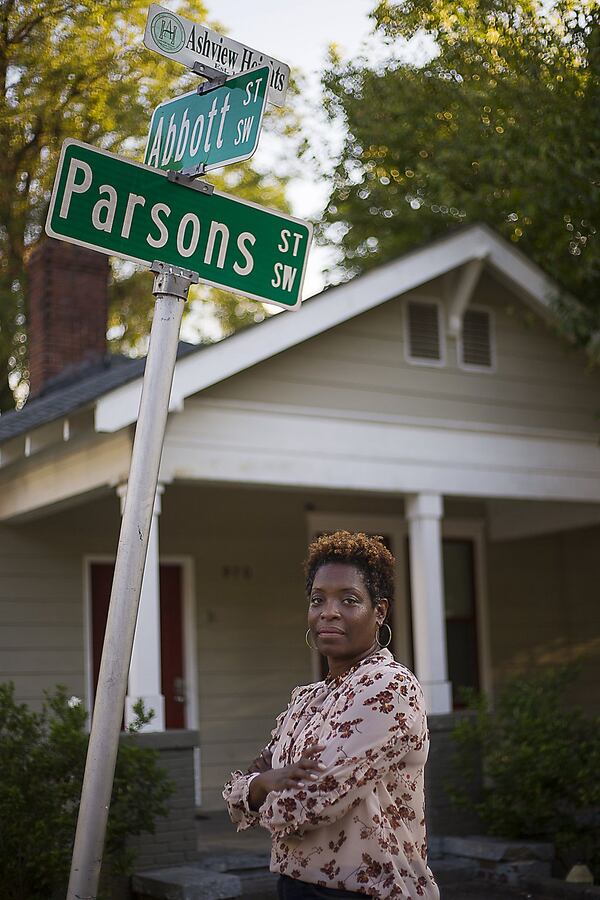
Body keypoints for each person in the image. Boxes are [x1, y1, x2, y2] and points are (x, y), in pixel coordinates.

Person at [223, 531, 440, 900]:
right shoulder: (307, 699)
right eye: (317, 599)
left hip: (370, 892)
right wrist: (262, 782)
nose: (329, 611)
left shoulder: (389, 687)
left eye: (349, 600)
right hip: (295, 887)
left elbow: (311, 803)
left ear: (380, 612)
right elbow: (241, 791)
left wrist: (260, 786)